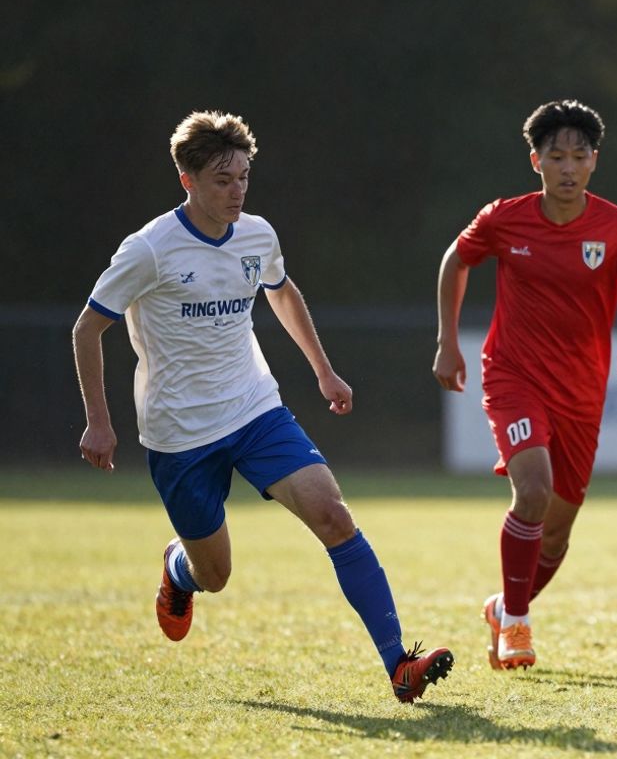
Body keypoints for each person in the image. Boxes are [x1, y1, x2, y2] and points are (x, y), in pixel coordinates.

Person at [72, 111, 451, 703]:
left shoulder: (257, 234)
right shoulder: (149, 249)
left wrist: (323, 371)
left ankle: (398, 664)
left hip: (254, 410)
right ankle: (179, 571)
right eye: (222, 179)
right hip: (179, 434)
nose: (237, 191)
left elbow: (282, 290)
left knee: (334, 515)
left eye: (244, 177)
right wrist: (99, 419)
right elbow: (87, 329)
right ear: (187, 179)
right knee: (214, 576)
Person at [433, 100, 617, 671]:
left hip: (582, 393)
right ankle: (516, 625)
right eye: (556, 156)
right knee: (532, 491)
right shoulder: (503, 218)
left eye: (578, 156)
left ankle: (504, 607)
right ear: (535, 160)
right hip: (513, 375)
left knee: (555, 537)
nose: (567, 166)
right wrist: (447, 340)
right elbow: (456, 261)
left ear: (594, 162)